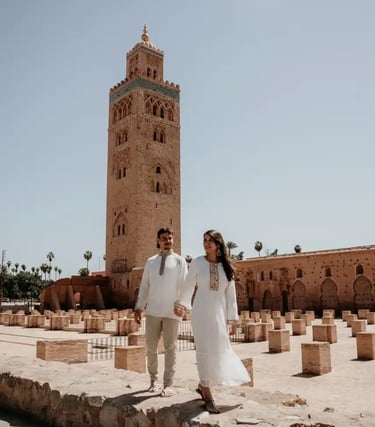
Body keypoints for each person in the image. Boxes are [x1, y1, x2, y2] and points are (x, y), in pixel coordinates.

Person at [174, 229, 250, 413]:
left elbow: (230, 296)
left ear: (218, 244)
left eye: (210, 240)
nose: (206, 243)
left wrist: (232, 319)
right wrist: (181, 304)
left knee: (220, 348)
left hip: (219, 313)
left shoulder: (227, 268)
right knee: (203, 350)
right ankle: (207, 393)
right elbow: (188, 285)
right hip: (201, 311)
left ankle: (203, 384)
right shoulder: (198, 263)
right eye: (204, 240)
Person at [135, 227, 188, 397]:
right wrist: (139, 306)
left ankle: (168, 383)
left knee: (170, 347)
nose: (167, 241)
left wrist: (183, 306)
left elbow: (185, 287)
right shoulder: (151, 262)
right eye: (164, 238)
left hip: (172, 312)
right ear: (158, 240)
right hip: (153, 311)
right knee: (151, 347)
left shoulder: (180, 261)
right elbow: (145, 286)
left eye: (170, 238)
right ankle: (153, 380)